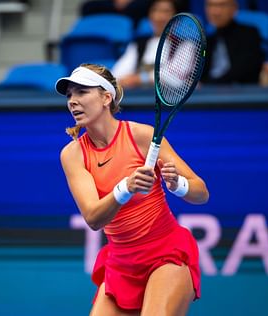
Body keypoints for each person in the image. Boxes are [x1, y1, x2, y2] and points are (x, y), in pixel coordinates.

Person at [56, 63, 209, 315]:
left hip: (166, 253)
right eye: (70, 95)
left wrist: (177, 185)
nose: (73, 101)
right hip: (121, 263)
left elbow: (201, 192)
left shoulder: (142, 136)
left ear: (107, 97)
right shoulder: (72, 154)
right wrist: (125, 187)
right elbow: (94, 218)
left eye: (82, 92)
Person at [111, 0, 178, 89]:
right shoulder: (138, 44)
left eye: (166, 11)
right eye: (155, 10)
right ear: (150, 15)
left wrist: (139, 79)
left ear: (176, 17)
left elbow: (176, 79)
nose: (160, 17)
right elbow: (117, 74)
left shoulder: (186, 45)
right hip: (140, 98)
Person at [201, 0, 265, 84]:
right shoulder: (207, 40)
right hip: (208, 93)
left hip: (242, 93)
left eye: (222, 5)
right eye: (210, 5)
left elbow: (243, 70)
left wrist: (209, 84)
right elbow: (202, 70)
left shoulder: (249, 34)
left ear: (234, 8)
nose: (215, 12)